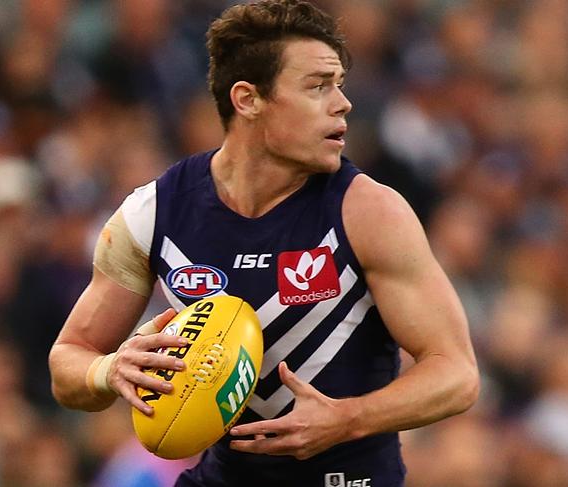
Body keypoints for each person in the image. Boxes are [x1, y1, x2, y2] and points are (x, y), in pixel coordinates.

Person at [49, 1, 479, 486]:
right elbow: (69, 361)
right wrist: (109, 370)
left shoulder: (369, 212)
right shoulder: (153, 214)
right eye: (318, 86)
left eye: (339, 84)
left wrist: (349, 418)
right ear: (248, 99)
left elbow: (456, 375)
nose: (343, 103)